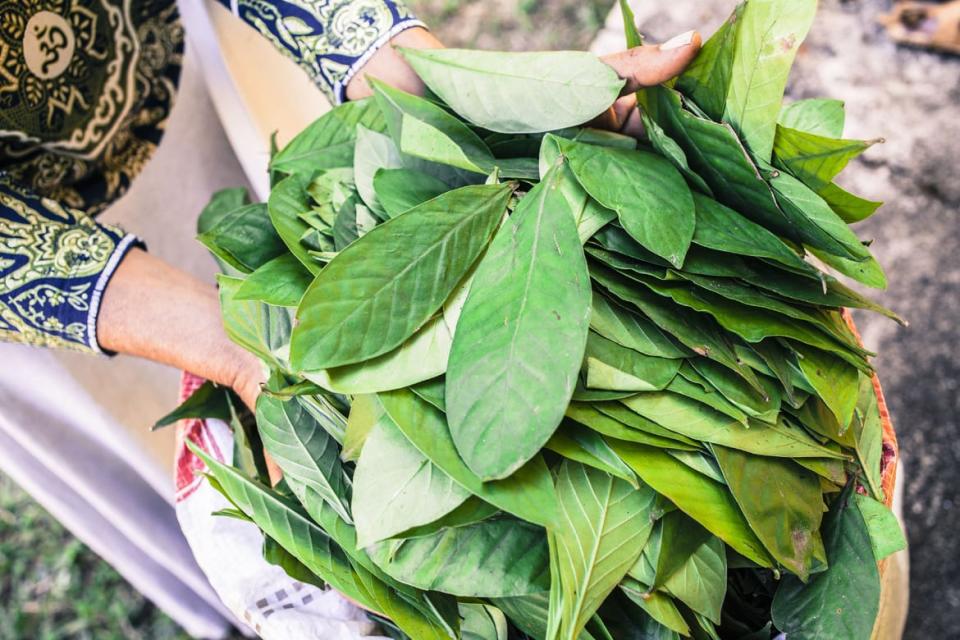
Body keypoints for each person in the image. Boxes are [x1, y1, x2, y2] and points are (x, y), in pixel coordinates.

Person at [0, 0, 700, 634]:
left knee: (332, 237)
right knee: (224, 460)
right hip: (42, 274)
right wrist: (239, 349)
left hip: (176, 52)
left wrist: (421, 86)